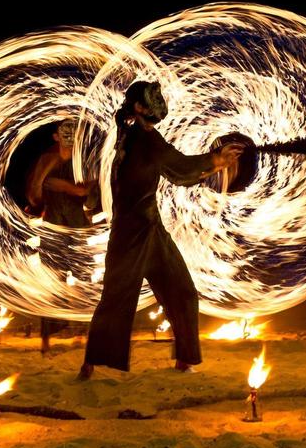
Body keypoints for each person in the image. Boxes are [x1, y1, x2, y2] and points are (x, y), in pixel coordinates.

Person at [78, 81, 243, 379]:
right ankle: (91, 364)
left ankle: (184, 359)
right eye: (152, 100)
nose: (159, 104)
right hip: (132, 232)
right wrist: (217, 160)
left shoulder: (128, 131)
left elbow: (172, 167)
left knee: (181, 291)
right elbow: (178, 168)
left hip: (148, 227)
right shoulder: (145, 140)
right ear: (140, 108)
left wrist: (214, 162)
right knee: (117, 298)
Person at [26, 119, 96, 353]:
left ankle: (84, 336)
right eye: (64, 131)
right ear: (56, 137)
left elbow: (88, 193)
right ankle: (46, 342)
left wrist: (63, 186)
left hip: (77, 229)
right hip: (53, 229)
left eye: (73, 130)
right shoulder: (46, 160)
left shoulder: (83, 162)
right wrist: (42, 178)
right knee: (52, 283)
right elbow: (34, 198)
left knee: (84, 282)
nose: (70, 134)